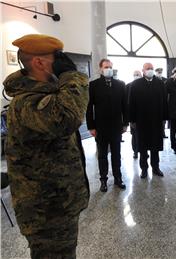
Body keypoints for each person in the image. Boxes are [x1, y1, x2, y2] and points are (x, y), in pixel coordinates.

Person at [3, 34, 89, 258]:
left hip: (58, 203)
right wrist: (71, 76)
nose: (63, 62)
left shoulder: (44, 94)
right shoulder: (27, 101)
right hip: (46, 211)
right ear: (39, 62)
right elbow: (68, 118)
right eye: (58, 57)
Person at [86, 58, 127, 192]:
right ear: (100, 69)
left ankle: (118, 178)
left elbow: (124, 106)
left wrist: (125, 123)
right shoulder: (93, 85)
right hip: (100, 127)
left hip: (116, 126)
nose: (108, 69)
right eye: (105, 67)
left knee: (116, 154)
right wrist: (91, 126)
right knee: (102, 155)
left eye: (110, 66)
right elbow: (89, 107)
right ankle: (103, 180)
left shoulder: (120, 84)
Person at [129, 63, 168, 178]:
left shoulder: (160, 83)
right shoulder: (136, 84)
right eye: (148, 69)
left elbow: (165, 102)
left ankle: (155, 167)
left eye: (151, 68)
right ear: (143, 71)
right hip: (141, 120)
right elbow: (131, 103)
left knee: (155, 146)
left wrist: (164, 118)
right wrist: (132, 120)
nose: (150, 70)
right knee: (143, 147)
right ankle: (144, 169)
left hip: (156, 120)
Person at [127, 70, 142, 159]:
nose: (136, 76)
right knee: (135, 135)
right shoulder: (128, 86)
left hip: (144, 116)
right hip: (133, 116)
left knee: (143, 135)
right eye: (135, 74)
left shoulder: (145, 85)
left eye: (138, 74)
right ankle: (135, 151)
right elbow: (126, 103)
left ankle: (143, 151)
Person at [155, 67, 168, 138]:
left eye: (160, 72)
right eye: (158, 72)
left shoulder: (165, 80)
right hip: (156, 102)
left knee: (163, 121)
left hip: (163, 101)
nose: (159, 73)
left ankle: (163, 133)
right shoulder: (154, 80)